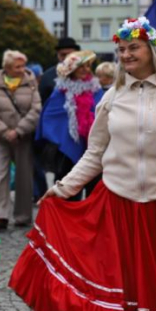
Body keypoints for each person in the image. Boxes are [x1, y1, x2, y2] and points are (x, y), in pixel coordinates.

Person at [10, 17, 156, 311]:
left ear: (152, 49)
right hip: (119, 209)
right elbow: (95, 154)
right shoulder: (112, 97)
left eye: (133, 48)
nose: (125, 55)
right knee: (121, 291)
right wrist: (63, 188)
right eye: (121, 49)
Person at [0, 50, 41, 231]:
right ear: (7, 67)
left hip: (23, 137)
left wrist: (19, 130)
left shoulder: (31, 82)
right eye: (18, 66)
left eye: (23, 65)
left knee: (24, 176)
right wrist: (4, 131)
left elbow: (36, 109)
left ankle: (23, 216)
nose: (22, 69)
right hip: (0, 138)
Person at [36, 51, 104, 201]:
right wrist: (60, 138)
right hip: (67, 153)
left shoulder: (96, 89)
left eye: (88, 66)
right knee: (68, 195)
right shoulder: (60, 91)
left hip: (92, 148)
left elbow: (102, 114)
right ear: (72, 69)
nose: (86, 69)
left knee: (94, 193)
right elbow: (50, 116)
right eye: (81, 66)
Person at [38, 36, 81, 105]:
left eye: (70, 54)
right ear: (58, 55)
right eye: (63, 55)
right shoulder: (47, 77)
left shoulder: (84, 74)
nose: (67, 58)